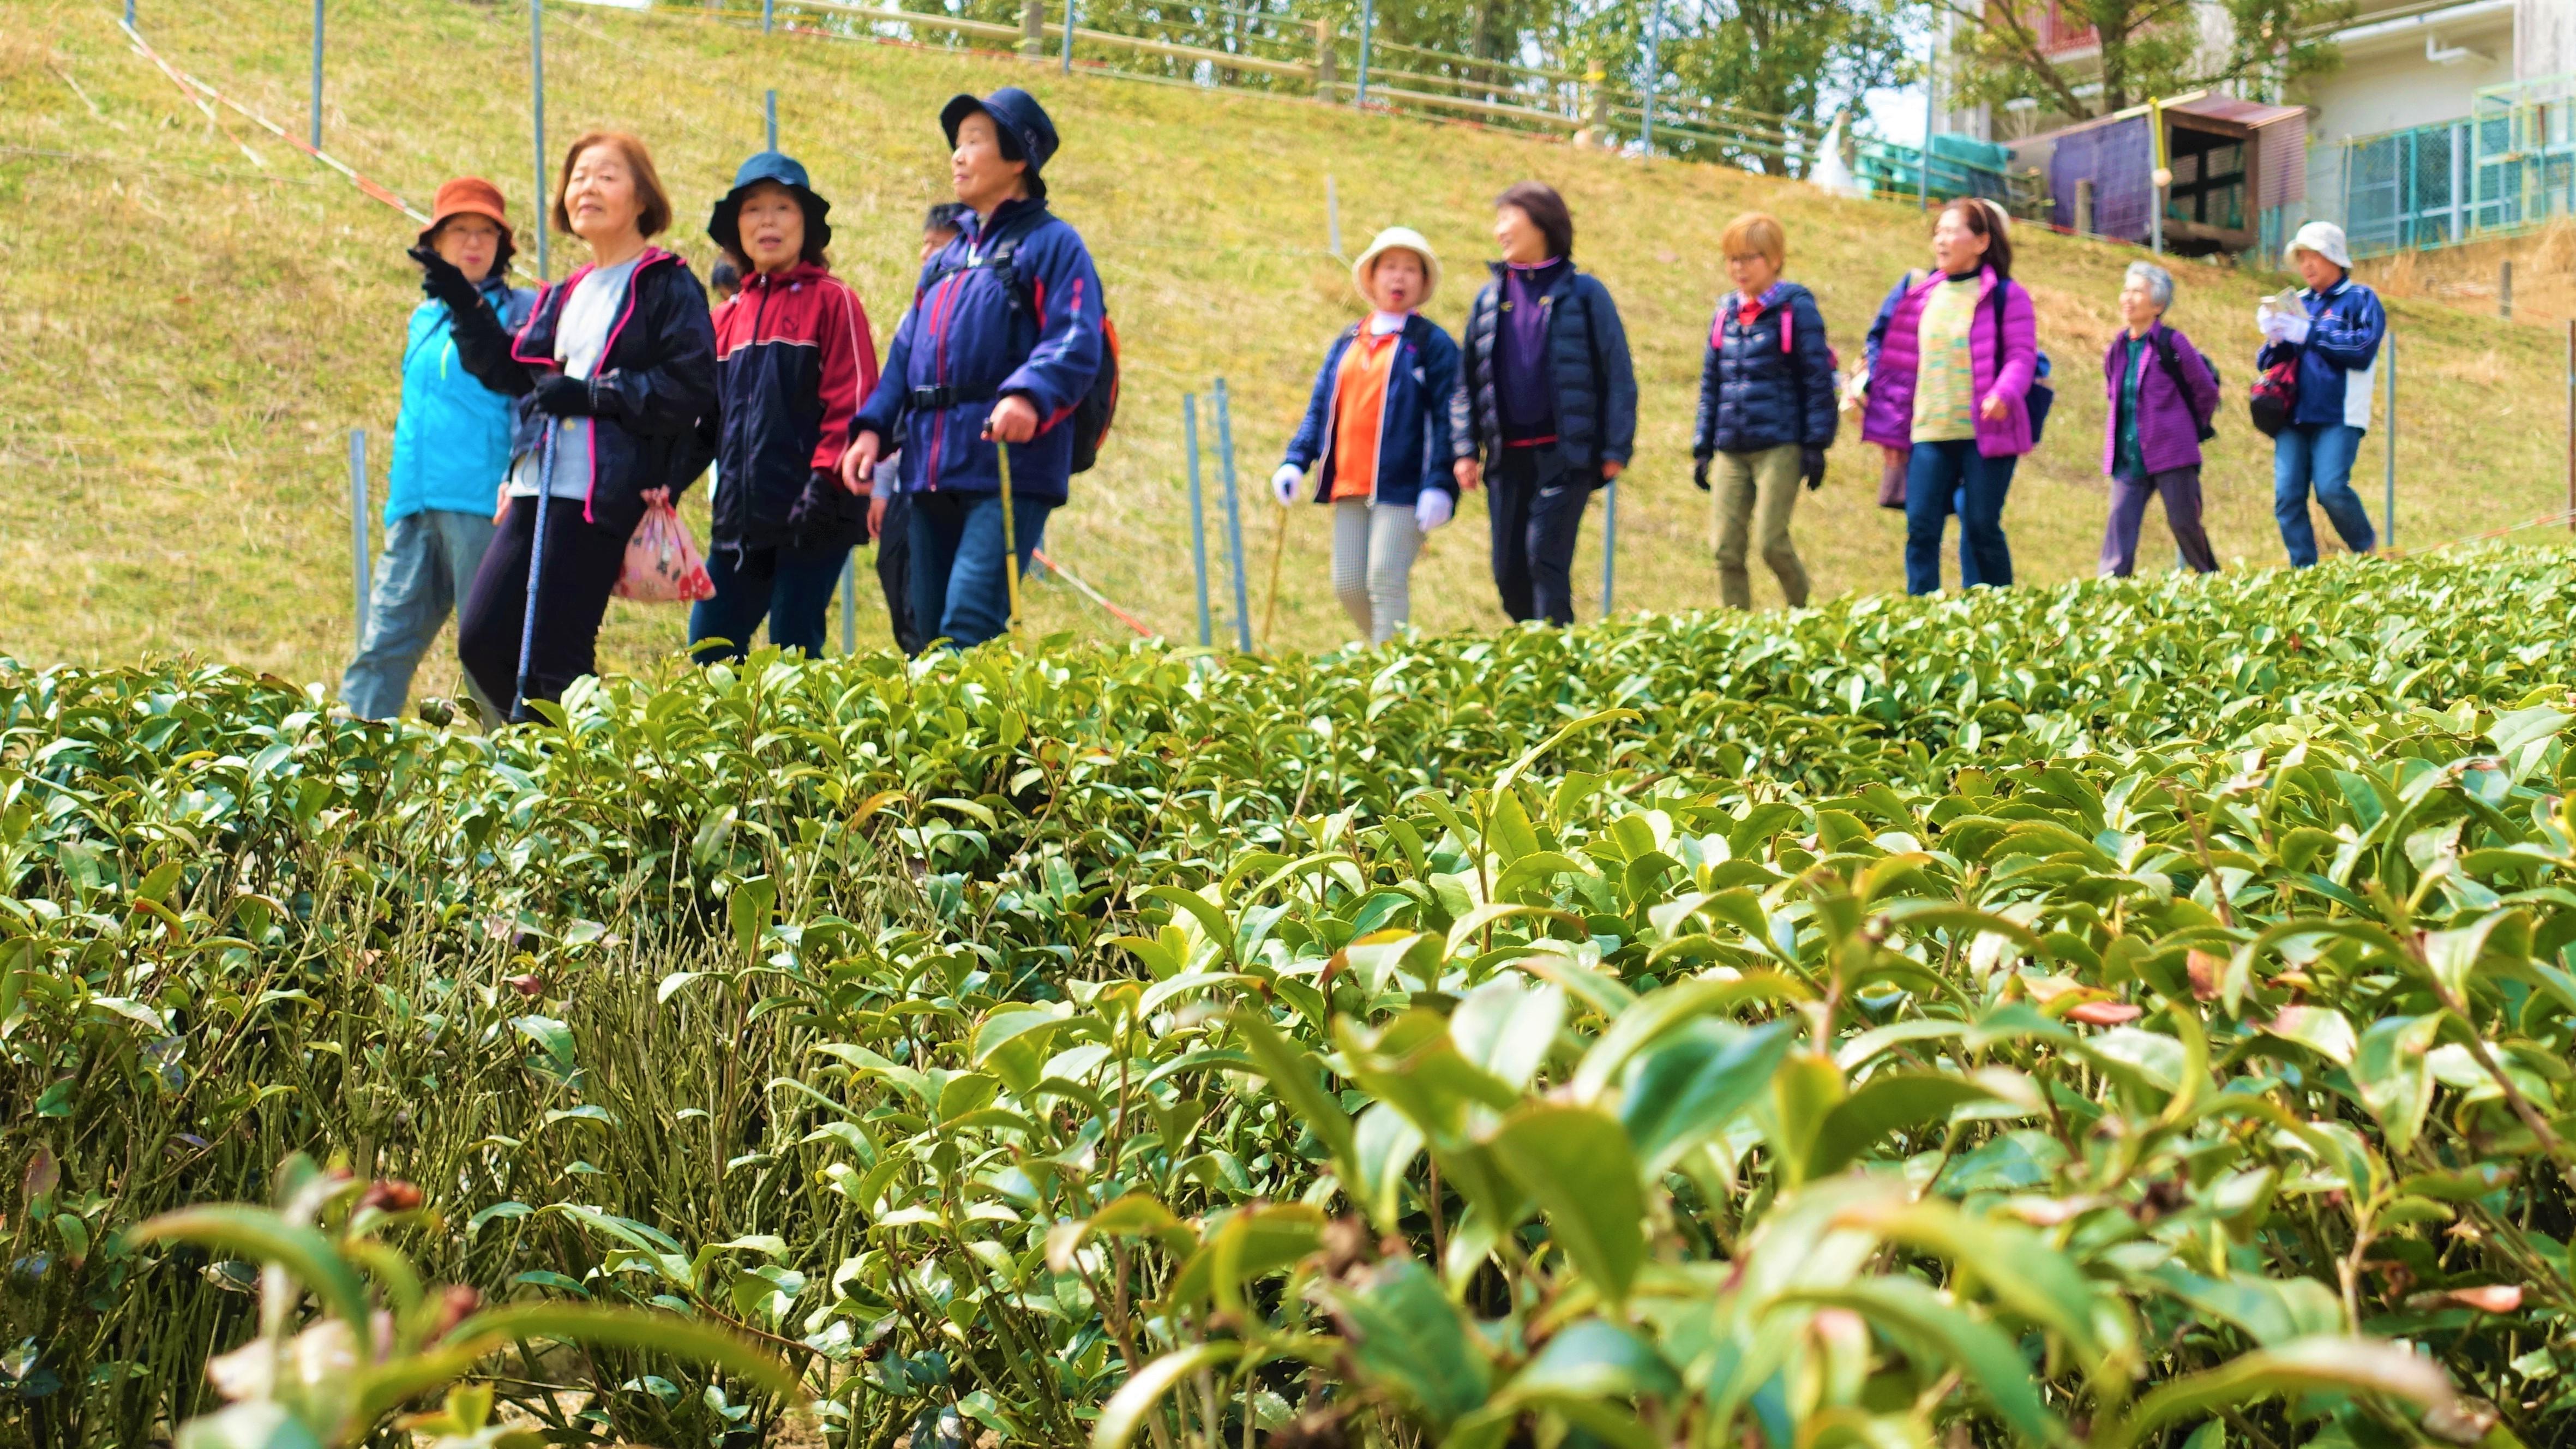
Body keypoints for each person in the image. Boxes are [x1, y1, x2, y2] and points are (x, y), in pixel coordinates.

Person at [420, 130, 718, 719]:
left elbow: (690, 388)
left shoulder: (666, 282)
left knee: (555, 655)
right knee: (482, 640)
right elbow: (515, 372)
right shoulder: (567, 291)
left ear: (641, 198)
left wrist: (594, 395)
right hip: (535, 485)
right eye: (578, 176)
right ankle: (557, 758)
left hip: (597, 496)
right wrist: (464, 303)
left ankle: (570, 782)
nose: (587, 187)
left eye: (607, 176)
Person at [842, 88, 1105, 651]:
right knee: (928, 635)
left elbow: (1077, 340)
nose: (957, 156)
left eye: (975, 142)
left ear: (1018, 160)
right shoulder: (943, 261)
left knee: (969, 624)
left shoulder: (1054, 245)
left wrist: (1028, 397)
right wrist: (871, 429)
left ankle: (976, 740)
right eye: (957, 144)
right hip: (929, 470)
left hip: (1009, 469)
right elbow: (904, 359)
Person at [343, 178, 533, 723]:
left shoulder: (519, 315)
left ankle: (514, 786)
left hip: (484, 508)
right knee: (381, 646)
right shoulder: (423, 319)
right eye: (459, 231)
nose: (473, 243)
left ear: (503, 245)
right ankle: (344, 774)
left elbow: (527, 405)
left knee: (489, 657)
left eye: (486, 232)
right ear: (436, 242)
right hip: (413, 506)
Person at [688, 152, 878, 662]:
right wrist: (660, 480)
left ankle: (804, 746)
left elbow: (854, 404)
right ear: (735, 229)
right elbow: (703, 422)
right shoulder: (724, 319)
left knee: (794, 650)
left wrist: (823, 486)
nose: (767, 221)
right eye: (752, 209)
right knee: (709, 649)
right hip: (737, 522)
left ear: (807, 225)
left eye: (783, 208)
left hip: (814, 513)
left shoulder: (834, 301)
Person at [1449, 182, 1636, 627]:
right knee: (1506, 572)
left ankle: (1556, 663)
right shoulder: (1489, 297)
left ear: (1541, 222)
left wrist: (1615, 448)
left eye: (1507, 219)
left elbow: (1618, 373)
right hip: (1505, 458)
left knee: (1543, 561)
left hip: (1565, 455)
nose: (1499, 232)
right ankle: (1534, 654)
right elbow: (1466, 381)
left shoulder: (1586, 294)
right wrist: (1463, 448)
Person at [1269, 227, 1461, 644]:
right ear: (1371, 277)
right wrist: (1295, 460)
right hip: (1349, 481)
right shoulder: (1348, 340)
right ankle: (1392, 660)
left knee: (1384, 579)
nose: (1399, 277)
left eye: (1411, 269)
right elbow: (1321, 405)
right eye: (1389, 267)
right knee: (1349, 584)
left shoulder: (1433, 345)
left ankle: (1388, 683)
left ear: (1424, 283)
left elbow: (1452, 418)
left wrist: (1440, 484)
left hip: (1405, 486)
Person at [1860, 196, 2039, 594]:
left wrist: (2003, 393)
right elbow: (1888, 352)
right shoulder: (1918, 293)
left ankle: (1995, 609)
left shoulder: (2006, 295)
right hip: (1928, 430)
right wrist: (1889, 427)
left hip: (1986, 432)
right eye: (1937, 232)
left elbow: (2021, 356)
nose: (1941, 240)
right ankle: (1921, 616)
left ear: (1980, 242)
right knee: (1920, 525)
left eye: (1951, 231)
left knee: (1979, 524)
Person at [1690, 211, 1833, 611]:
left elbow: (1817, 378)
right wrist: (1702, 446)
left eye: (1749, 258)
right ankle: (1737, 632)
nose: (1739, 268)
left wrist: (1816, 444)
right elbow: (1710, 384)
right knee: (1724, 549)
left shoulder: (1795, 310)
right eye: (1732, 258)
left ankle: (1807, 618)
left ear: (1774, 259)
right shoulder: (1724, 315)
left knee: (1771, 543)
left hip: (1779, 446)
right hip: (1730, 447)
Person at [867, 203, 967, 656]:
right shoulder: (916, 314)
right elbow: (895, 396)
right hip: (911, 475)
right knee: (899, 579)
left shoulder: (975, 309)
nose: (928, 256)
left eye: (939, 246)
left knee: (954, 608)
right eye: (925, 246)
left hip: (960, 473)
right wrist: (881, 486)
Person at [2260, 220, 2383, 568]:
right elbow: (2268, 362)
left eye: (2315, 255)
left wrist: (2308, 333)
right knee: (2287, 497)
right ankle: (2304, 571)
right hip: (2292, 415)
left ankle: (2367, 552)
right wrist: (2274, 337)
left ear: (2335, 258)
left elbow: (2362, 349)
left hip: (2339, 414)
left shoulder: (2361, 299)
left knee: (2330, 488)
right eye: (2301, 258)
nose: (2307, 265)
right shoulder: (2294, 302)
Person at [2098, 261, 2220, 578]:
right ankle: (2110, 591)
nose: (2128, 297)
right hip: (2128, 455)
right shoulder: (2117, 348)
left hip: (2172, 452)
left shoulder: (2173, 343)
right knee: (2119, 523)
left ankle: (2213, 581)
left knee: (2184, 522)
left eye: (2138, 292)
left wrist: (2186, 430)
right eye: (2126, 290)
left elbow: (2206, 390)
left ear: (2158, 304)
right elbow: (2115, 394)